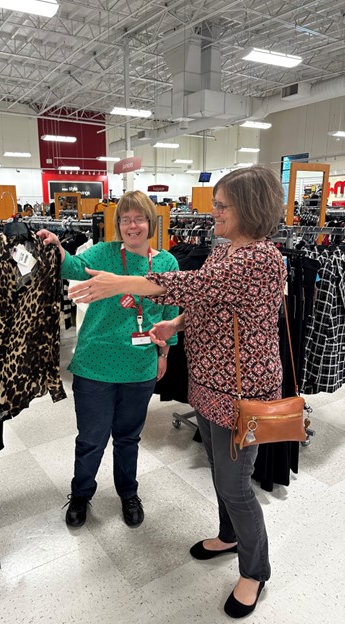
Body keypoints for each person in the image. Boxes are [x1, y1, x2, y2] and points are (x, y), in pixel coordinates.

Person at [68, 166, 286, 619]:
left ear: (248, 208)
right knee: (220, 471)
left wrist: (120, 283)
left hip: (240, 392)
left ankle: (255, 570)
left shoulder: (263, 258)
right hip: (209, 385)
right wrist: (177, 323)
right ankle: (229, 536)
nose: (214, 212)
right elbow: (210, 300)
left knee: (236, 484)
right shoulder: (226, 252)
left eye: (222, 205)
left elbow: (193, 286)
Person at [37, 191, 179, 529]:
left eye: (139, 218)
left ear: (151, 223)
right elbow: (69, 265)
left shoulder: (166, 264)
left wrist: (164, 353)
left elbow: (170, 310)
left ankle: (128, 493)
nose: (133, 226)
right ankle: (81, 495)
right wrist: (57, 246)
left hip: (140, 365)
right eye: (126, 219)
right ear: (118, 225)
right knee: (91, 439)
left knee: (128, 438)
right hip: (95, 365)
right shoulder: (102, 253)